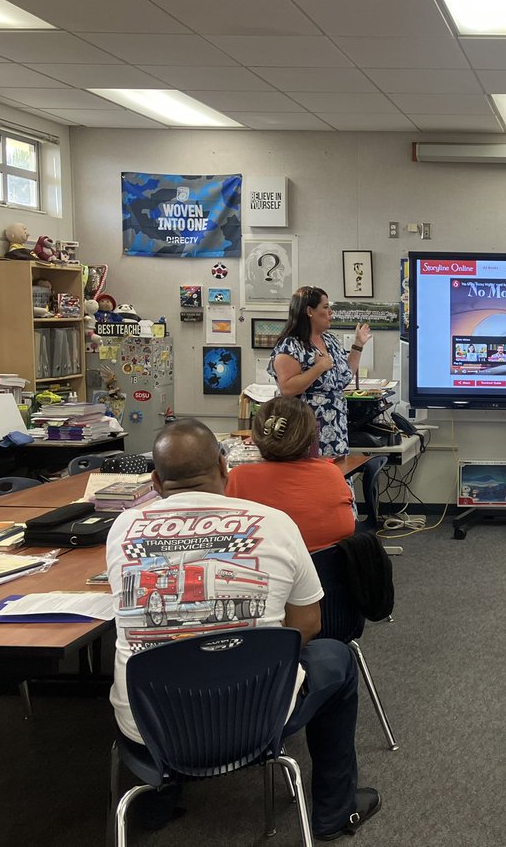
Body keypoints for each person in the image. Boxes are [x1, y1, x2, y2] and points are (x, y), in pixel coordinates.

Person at [105, 419, 379, 840]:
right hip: (256, 718)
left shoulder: (122, 528)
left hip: (150, 730)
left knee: (151, 656)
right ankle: (334, 812)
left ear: (156, 480)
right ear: (223, 465)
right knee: (336, 657)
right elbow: (308, 624)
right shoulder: (274, 523)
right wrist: (246, 652)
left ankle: (156, 801)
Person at [226, 396, 356, 551]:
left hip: (268, 569)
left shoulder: (239, 477)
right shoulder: (331, 473)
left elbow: (228, 533)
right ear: (311, 436)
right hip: (328, 571)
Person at [270, 286, 370, 457]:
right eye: (325, 307)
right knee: (313, 480)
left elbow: (344, 377)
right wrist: (319, 367)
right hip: (307, 430)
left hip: (336, 429)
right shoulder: (291, 345)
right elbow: (287, 388)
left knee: (337, 479)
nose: (331, 312)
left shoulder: (330, 340)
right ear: (310, 311)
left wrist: (358, 344)